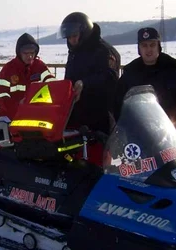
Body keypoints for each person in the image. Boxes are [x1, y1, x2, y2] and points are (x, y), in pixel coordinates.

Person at [115, 27, 176, 168]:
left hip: (170, 136)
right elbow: (117, 103)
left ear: (159, 46)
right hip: (139, 138)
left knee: (174, 175)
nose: (149, 50)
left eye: (152, 45)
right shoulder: (131, 72)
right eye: (144, 45)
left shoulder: (173, 69)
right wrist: (121, 133)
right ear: (139, 48)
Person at [58, 12, 120, 165]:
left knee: (97, 160)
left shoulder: (104, 51)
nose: (72, 40)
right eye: (69, 38)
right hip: (77, 114)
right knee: (75, 160)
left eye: (74, 36)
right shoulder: (75, 52)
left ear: (84, 32)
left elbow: (110, 78)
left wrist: (85, 83)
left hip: (100, 116)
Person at [0, 33, 57, 120]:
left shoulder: (39, 66)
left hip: (33, 114)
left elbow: (49, 79)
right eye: (26, 53)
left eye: (32, 53)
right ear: (19, 53)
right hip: (10, 115)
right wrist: (17, 106)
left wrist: (57, 88)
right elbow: (1, 94)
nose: (30, 56)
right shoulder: (8, 69)